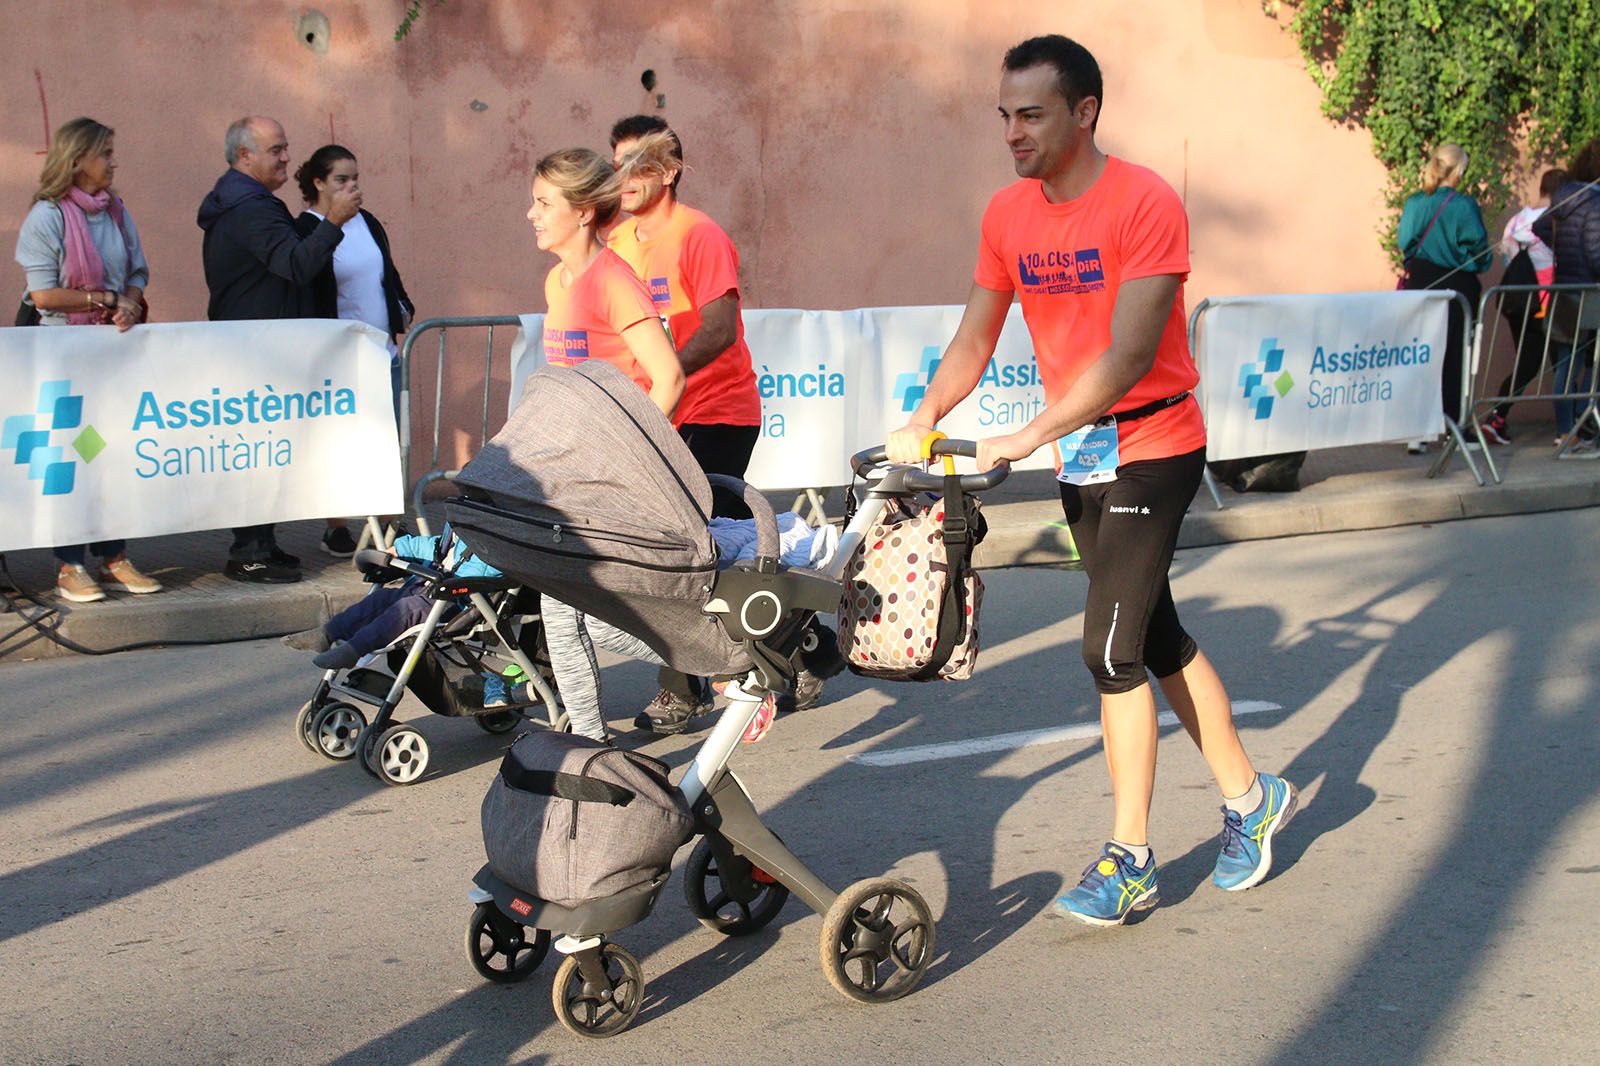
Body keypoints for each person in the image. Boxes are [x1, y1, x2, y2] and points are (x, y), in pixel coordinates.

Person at [886, 35, 1298, 926]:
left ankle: (1130, 857)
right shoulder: (1007, 216)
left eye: (1031, 114)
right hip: (1085, 455)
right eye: (1004, 115)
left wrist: (1026, 434)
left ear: (1085, 112)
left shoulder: (1144, 201)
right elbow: (974, 338)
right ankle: (1251, 798)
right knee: (1151, 637)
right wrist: (925, 416)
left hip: (1154, 439)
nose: (1012, 132)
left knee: (1107, 649)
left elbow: (1132, 351)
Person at [607, 116, 831, 731]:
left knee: (685, 546)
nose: (622, 176)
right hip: (659, 416)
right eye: (616, 162)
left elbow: (719, 329)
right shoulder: (618, 244)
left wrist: (661, 376)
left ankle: (683, 689)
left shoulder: (698, 235)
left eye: (637, 163)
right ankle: (805, 649)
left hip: (717, 410)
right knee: (723, 552)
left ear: (670, 170)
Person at [197, 116, 359, 583]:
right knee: (253, 453)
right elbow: (295, 265)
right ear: (245, 156)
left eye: (287, 148)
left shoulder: (250, 202)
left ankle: (262, 544)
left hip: (261, 346)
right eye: (276, 149)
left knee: (265, 453)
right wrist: (332, 222)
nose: (286, 157)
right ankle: (248, 552)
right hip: (253, 349)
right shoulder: (249, 208)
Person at [14, 116, 162, 603]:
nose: (113, 162)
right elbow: (42, 294)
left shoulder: (115, 211)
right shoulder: (48, 216)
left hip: (109, 355)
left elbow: (137, 269)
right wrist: (104, 299)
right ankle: (69, 564)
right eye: (105, 154)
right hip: (62, 355)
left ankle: (114, 556)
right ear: (76, 160)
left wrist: (131, 301)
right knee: (72, 458)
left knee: (110, 453)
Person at [292, 144, 415, 557]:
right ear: (319, 183)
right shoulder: (307, 229)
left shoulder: (369, 223)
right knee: (339, 442)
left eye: (356, 179)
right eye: (342, 180)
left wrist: (401, 305)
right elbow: (310, 283)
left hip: (382, 349)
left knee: (386, 437)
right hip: (340, 356)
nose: (352, 188)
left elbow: (385, 272)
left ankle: (384, 525)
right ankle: (336, 525)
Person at [1395, 143, 1492, 453]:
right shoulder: (1464, 206)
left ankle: (1416, 431)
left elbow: (1404, 242)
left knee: (1421, 352)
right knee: (1455, 355)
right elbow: (1479, 249)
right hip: (1458, 282)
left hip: (1422, 280)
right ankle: (1456, 426)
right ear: (1459, 170)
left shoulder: (1414, 203)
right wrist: (1475, 262)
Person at [1482, 167, 1566, 445]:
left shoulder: (1517, 221)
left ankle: (1496, 418)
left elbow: (1507, 259)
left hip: (1518, 301)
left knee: (1527, 363)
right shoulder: (1556, 220)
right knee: (1563, 363)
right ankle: (1567, 430)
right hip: (1550, 301)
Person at [1533, 140, 1600, 447]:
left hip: (1564, 289)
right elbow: (1595, 251)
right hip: (1591, 292)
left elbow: (1540, 227)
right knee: (1593, 364)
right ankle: (1588, 420)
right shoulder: (1595, 203)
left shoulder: (1565, 197)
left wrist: (1564, 252)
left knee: (1566, 364)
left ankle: (1565, 431)